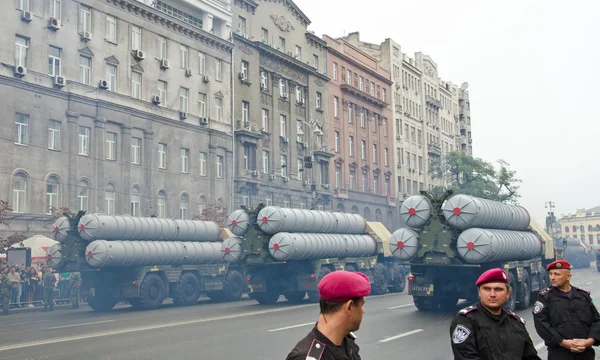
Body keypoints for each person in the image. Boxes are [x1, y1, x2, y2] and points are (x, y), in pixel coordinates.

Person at [449, 268, 541, 360]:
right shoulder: (466, 320)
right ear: (479, 292)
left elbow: (530, 356)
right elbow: (466, 357)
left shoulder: (516, 323)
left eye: (498, 289)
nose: (492, 294)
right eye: (487, 289)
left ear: (508, 293)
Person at [285, 270, 371, 360]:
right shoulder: (308, 357)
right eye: (362, 305)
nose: (363, 311)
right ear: (349, 307)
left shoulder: (346, 342)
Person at [533, 259, 600, 359]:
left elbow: (596, 321)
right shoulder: (545, 297)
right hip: (559, 353)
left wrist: (589, 341)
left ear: (568, 276)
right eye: (551, 274)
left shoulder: (583, 296)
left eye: (557, 274)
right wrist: (562, 342)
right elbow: (541, 324)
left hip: (585, 353)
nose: (552, 278)